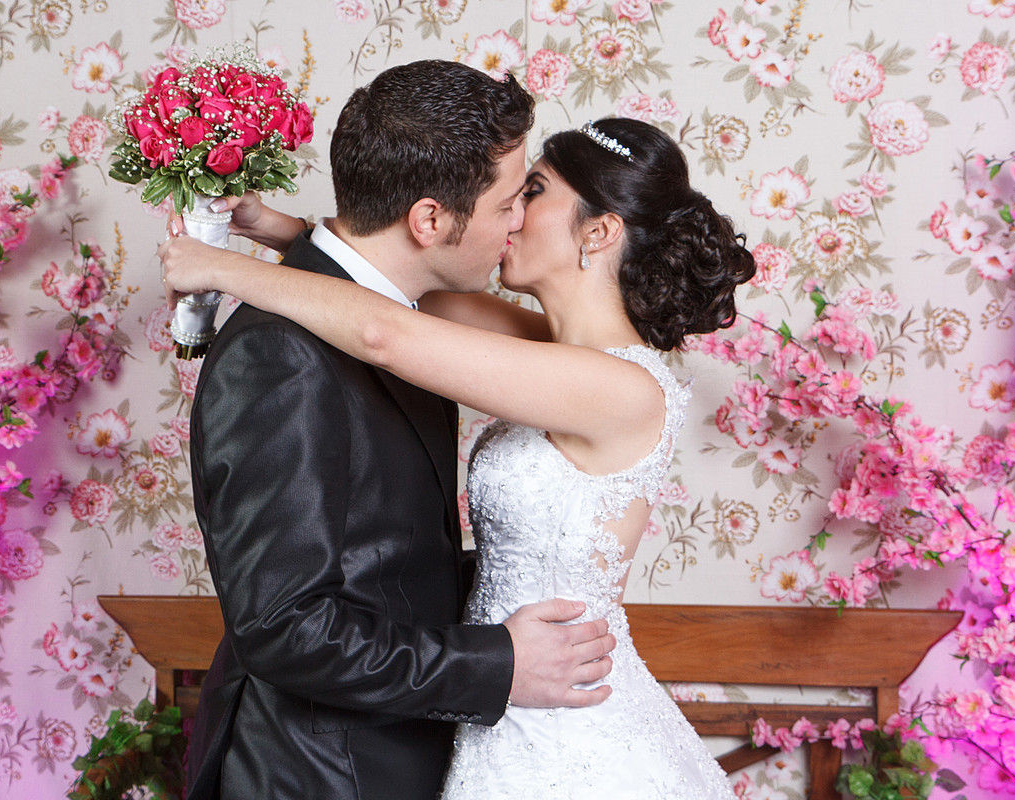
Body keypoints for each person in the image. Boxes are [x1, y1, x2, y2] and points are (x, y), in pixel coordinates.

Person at [162, 116, 755, 798]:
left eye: (532, 190)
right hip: (488, 689)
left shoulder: (623, 388)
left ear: (599, 231)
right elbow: (383, 286)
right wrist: (270, 225)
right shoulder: (551, 348)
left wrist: (219, 269)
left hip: (556, 711)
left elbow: (382, 332)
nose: (506, 211)